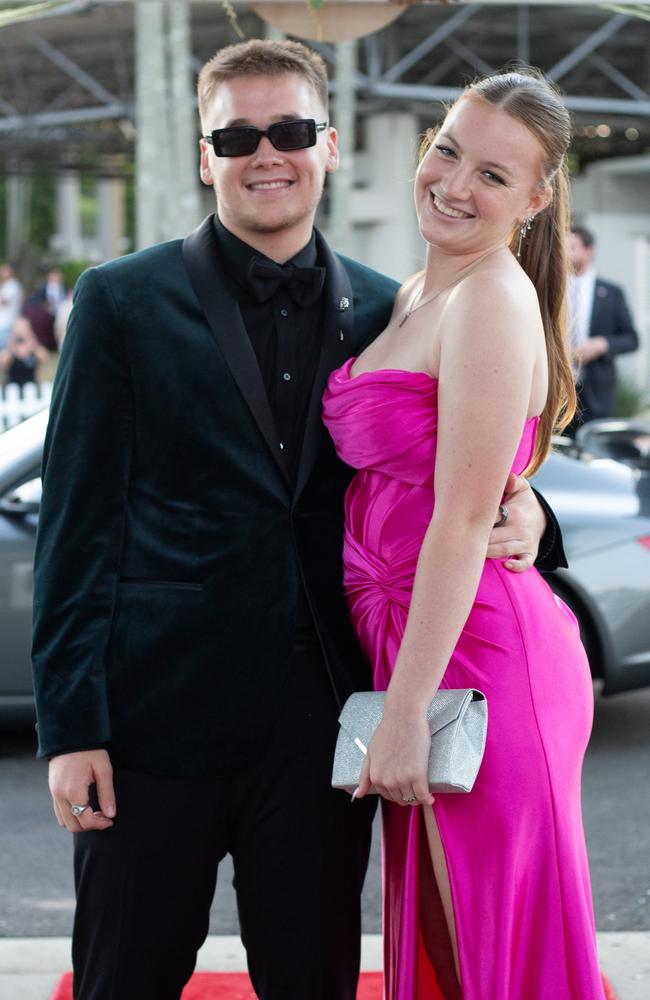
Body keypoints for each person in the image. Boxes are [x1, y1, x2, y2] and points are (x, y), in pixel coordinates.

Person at [32, 41, 564, 1000]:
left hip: (328, 732)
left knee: (312, 981)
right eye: (238, 135)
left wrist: (529, 506)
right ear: (207, 156)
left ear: (325, 143)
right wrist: (72, 727)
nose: (264, 153)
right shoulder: (120, 301)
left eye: (286, 130)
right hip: (156, 730)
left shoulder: (387, 305)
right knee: (123, 978)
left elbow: (458, 452)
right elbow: (76, 526)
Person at [323, 69, 604, 999]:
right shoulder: (412, 294)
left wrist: (403, 715)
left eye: (493, 174)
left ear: (535, 200)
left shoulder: (489, 297)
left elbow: (457, 517)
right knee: (455, 942)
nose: (453, 182)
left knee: (494, 951)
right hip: (420, 649)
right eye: (448, 149)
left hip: (477, 662)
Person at [568, 224, 638, 428]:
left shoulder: (611, 292)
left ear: (589, 251)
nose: (565, 253)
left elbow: (631, 339)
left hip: (596, 393)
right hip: (558, 390)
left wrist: (601, 345)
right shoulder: (552, 288)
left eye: (572, 247)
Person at [0, 315, 49, 386]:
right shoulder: (9, 347)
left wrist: (32, 343)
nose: (21, 331)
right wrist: (12, 345)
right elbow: (3, 363)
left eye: (24, 328)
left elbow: (45, 359)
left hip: (32, 387)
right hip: (12, 388)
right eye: (18, 328)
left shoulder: (33, 346)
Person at [0, 263, 24, 349]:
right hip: (3, 323)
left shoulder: (13, 285)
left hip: (8, 323)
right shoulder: (5, 285)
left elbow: (3, 301)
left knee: (6, 349)